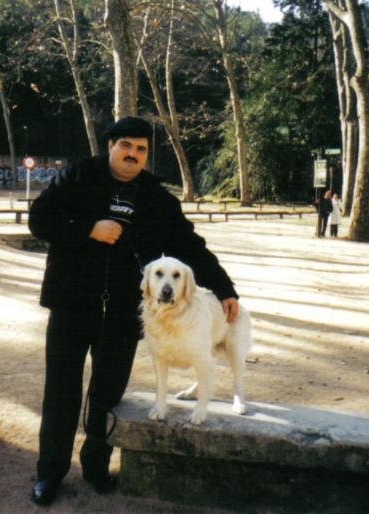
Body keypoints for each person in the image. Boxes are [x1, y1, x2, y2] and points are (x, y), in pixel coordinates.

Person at [27, 117, 239, 506]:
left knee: (107, 394)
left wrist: (225, 289)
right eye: (126, 145)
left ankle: (95, 466)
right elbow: (40, 219)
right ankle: (49, 472)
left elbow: (191, 246)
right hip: (71, 304)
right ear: (110, 146)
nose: (133, 154)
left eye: (141, 149)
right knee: (61, 392)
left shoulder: (157, 198)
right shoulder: (78, 176)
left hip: (125, 312)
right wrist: (88, 228)